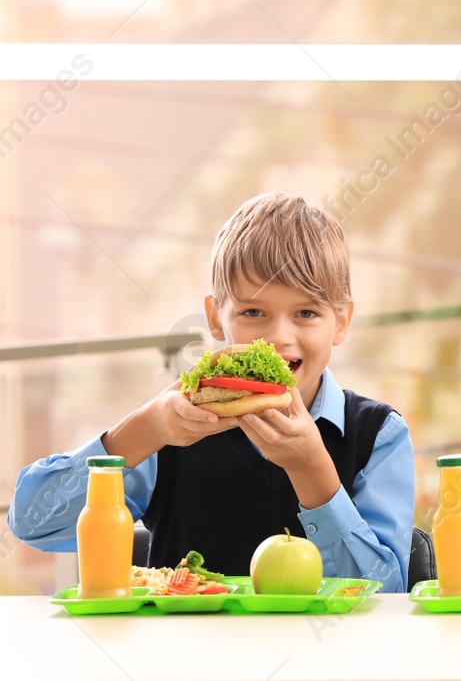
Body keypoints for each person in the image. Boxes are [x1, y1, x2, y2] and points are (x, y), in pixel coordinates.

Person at [9, 193, 414, 591]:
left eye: (306, 313)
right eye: (253, 313)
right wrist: (146, 429)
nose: (278, 337)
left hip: (329, 659)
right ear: (215, 319)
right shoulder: (170, 429)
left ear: (341, 322)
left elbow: (386, 597)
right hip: (184, 658)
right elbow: (33, 524)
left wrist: (311, 469)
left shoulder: (379, 434)